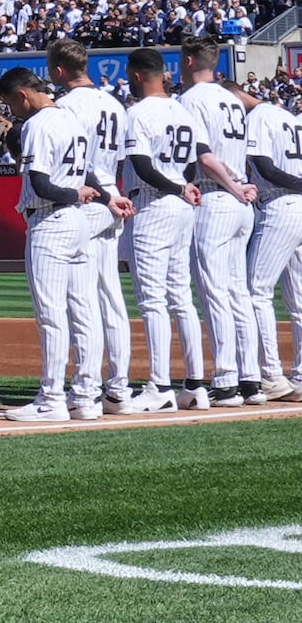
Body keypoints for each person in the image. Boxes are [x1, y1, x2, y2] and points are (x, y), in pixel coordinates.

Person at [0, 66, 119, 424]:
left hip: (52, 220)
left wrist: (76, 193)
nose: (12, 113)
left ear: (22, 95)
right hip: (78, 224)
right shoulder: (71, 120)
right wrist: (106, 197)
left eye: (10, 104)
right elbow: (89, 175)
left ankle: (51, 397)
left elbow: (42, 184)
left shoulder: (38, 124)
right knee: (84, 313)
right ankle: (85, 396)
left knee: (51, 315)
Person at [175, 45, 262, 405]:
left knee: (214, 292)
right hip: (241, 200)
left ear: (191, 61)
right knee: (238, 292)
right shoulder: (232, 99)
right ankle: (250, 379)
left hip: (219, 195)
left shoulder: (192, 99)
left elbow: (205, 157)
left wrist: (233, 186)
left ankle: (225, 380)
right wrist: (241, 186)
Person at [121, 51, 207, 411]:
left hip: (155, 204)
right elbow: (191, 165)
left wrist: (174, 188)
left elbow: (141, 165)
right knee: (181, 298)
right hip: (180, 206)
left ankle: (159, 386)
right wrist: (182, 188)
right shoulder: (183, 111)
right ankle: (195, 385)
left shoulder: (138, 112)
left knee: (153, 299)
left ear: (138, 75)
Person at [53, 44, 136, 411]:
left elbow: (77, 162)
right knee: (110, 297)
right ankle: (118, 387)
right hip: (112, 196)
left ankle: (85, 389)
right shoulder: (114, 103)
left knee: (81, 300)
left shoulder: (68, 105)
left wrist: (102, 196)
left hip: (90, 201)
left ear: (58, 71)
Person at [244, 78, 302, 402]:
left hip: (281, 205)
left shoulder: (258, 116)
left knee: (256, 291)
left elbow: (264, 167)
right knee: (299, 301)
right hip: (298, 207)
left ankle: (271, 375)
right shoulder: (288, 117)